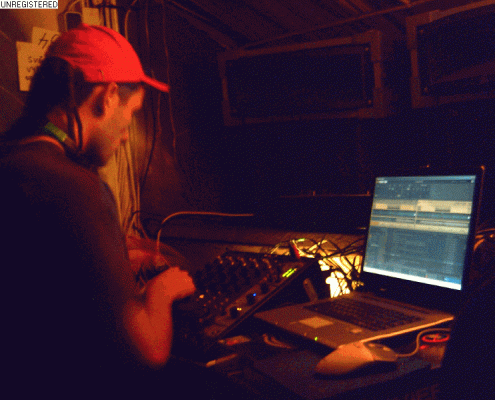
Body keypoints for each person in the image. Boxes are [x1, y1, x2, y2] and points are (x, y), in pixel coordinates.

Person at [0, 24, 195, 397]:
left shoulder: (12, 158)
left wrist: (118, 256)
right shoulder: (76, 187)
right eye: (132, 113)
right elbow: (149, 351)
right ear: (108, 97)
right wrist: (162, 290)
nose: (127, 133)